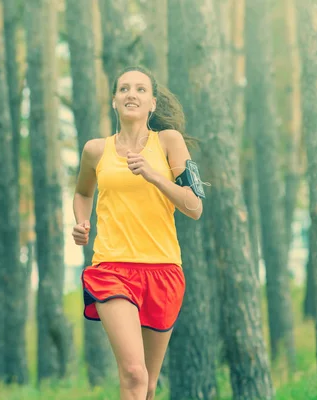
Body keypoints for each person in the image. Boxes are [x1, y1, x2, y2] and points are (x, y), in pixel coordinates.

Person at [72, 66, 204, 400]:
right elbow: (83, 193)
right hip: (112, 269)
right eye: (125, 89)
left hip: (163, 270)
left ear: (152, 104)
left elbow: (194, 206)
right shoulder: (95, 150)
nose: (132, 94)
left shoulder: (168, 142)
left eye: (141, 89)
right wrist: (81, 222)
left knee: (146, 384)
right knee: (133, 373)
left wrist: (156, 177)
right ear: (114, 101)